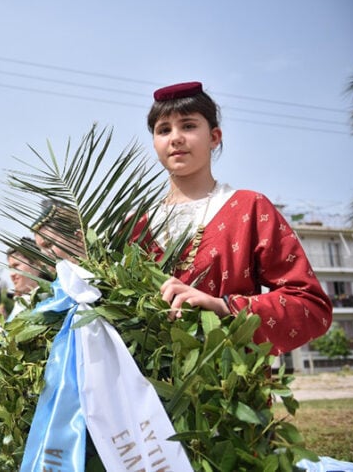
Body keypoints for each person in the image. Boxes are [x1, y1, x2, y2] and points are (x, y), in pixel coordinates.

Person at [132, 81, 332, 354]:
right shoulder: (135, 225)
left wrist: (226, 307)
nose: (175, 137)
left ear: (215, 137)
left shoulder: (250, 208)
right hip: (150, 391)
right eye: (163, 130)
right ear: (155, 143)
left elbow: (310, 305)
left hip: (230, 385)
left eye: (188, 126)